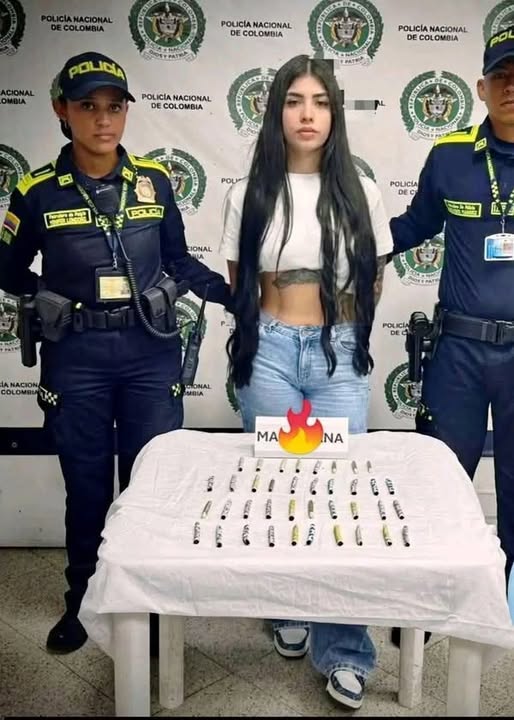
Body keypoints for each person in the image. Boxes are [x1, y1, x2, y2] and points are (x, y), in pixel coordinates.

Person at [0, 51, 232, 654]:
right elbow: (7, 269)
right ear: (62, 111)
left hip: (149, 352)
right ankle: (82, 601)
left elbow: (178, 260)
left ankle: (146, 603)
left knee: (150, 483)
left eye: (113, 107)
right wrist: (47, 297)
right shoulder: (35, 192)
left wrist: (237, 297)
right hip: (75, 356)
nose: (103, 119)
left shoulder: (154, 181)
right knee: (86, 486)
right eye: (88, 106)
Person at [219, 54, 393, 709]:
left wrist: (339, 327)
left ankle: (345, 649)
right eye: (294, 101)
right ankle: (288, 606)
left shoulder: (362, 191)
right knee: (280, 491)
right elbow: (238, 280)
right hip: (268, 353)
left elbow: (374, 277)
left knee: (342, 499)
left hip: (337, 355)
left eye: (320, 101)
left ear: (335, 113)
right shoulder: (247, 192)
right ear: (277, 112)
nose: (307, 114)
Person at [390, 28, 514, 586]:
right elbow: (414, 225)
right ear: (481, 88)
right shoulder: (450, 156)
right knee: (441, 481)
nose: (511, 87)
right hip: (459, 351)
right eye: (501, 76)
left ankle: (506, 602)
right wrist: (348, 241)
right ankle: (436, 600)